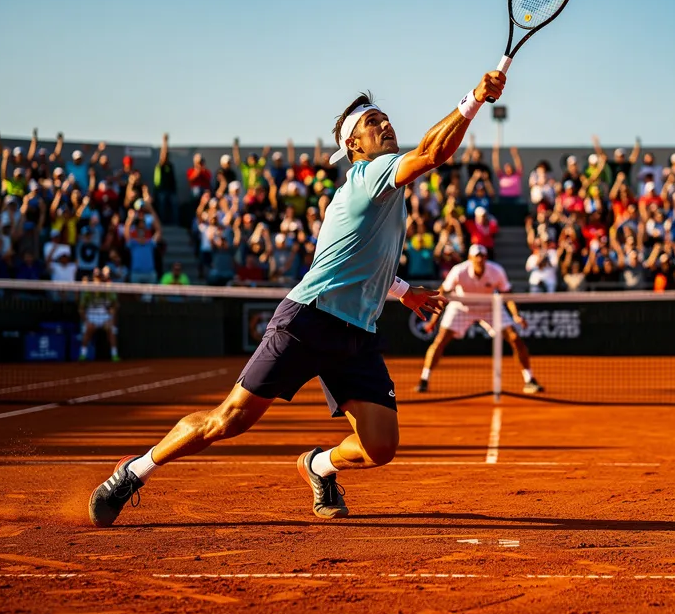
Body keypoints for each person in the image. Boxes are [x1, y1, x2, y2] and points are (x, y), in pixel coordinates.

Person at [87, 70, 502, 527]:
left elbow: (363, 259)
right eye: (374, 122)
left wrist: (403, 293)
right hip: (309, 320)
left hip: (357, 335)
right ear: (354, 148)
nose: (386, 125)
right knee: (228, 421)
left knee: (380, 447)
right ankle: (133, 472)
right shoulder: (368, 176)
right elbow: (432, 153)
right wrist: (474, 98)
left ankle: (318, 466)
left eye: (386, 118)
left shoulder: (385, 190)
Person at [416, 244, 543, 394]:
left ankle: (529, 380)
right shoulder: (459, 270)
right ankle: (424, 379)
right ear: (470, 258)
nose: (480, 259)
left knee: (515, 338)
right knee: (440, 340)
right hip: (461, 307)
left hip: (489, 307)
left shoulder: (496, 271)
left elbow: (507, 295)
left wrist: (515, 315)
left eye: (482, 256)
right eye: (476, 256)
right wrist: (433, 321)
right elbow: (443, 293)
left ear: (486, 258)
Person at [78, 267, 121, 362]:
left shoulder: (108, 289)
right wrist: (86, 321)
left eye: (100, 278)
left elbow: (115, 305)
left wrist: (112, 319)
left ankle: (114, 354)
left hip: (105, 316)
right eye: (96, 278)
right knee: (88, 329)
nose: (98, 280)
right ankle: (83, 354)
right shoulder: (87, 291)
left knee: (111, 330)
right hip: (91, 315)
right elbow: (81, 308)